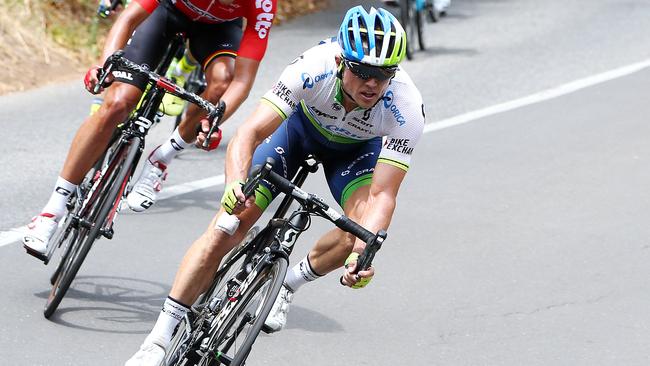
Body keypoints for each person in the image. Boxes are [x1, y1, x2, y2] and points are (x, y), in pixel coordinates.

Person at [124, 5, 424, 365]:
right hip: (296, 133)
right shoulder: (313, 67)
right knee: (225, 227)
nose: (373, 84)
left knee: (356, 233)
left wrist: (364, 252)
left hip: (356, 151)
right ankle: (157, 340)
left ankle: (287, 284)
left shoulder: (406, 105)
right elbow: (248, 133)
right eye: (362, 72)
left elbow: (382, 194)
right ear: (343, 62)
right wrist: (235, 183)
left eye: (383, 74)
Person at [22, 0, 278, 261]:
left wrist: (215, 118)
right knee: (118, 104)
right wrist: (106, 66)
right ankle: (51, 212)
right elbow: (128, 19)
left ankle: (161, 158)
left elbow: (243, 82)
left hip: (217, 30)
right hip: (166, 11)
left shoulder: (263, 4)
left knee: (223, 80)